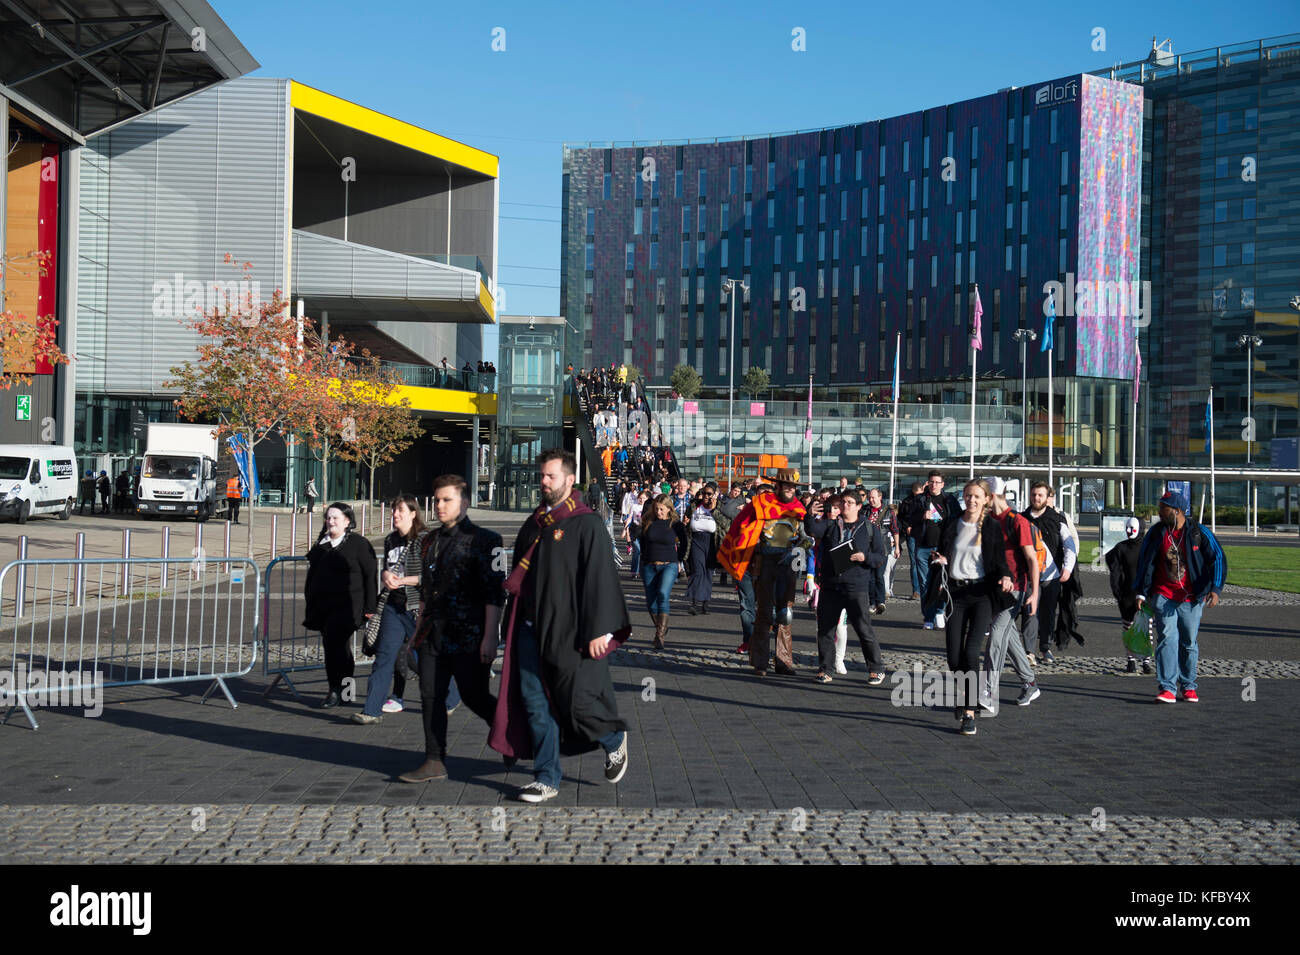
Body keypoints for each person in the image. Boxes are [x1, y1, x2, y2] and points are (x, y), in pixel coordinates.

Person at [491, 449, 631, 803]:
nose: (544, 482)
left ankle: (613, 740)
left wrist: (601, 629)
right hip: (528, 628)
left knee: (577, 702)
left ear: (570, 480)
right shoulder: (535, 523)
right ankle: (546, 778)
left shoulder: (587, 524)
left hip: (570, 632)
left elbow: (599, 577)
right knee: (536, 703)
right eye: (542, 476)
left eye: (551, 476)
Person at [397, 477, 505, 781]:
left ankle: (511, 734)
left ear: (465, 502)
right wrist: (415, 635)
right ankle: (434, 760)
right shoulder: (428, 541)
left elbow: (494, 592)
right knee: (430, 694)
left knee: (474, 695)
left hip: (469, 633)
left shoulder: (486, 539)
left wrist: (490, 637)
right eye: (437, 499)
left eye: (447, 500)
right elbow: (426, 593)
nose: (440, 506)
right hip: (432, 632)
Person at [929, 479, 1013, 736]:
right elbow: (942, 551)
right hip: (956, 594)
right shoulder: (953, 523)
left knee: (972, 651)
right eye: (968, 496)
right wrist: (941, 559)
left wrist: (1006, 576)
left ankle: (968, 711)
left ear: (986, 499)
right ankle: (966, 694)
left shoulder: (991, 527)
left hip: (981, 595)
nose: (972, 500)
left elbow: (999, 560)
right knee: (954, 658)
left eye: (977, 496)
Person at [1133, 489, 1226, 703]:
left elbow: (1218, 558)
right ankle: (1167, 687)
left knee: (1189, 642)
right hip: (1163, 594)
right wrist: (1141, 591)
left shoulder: (1199, 532)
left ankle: (1188, 685)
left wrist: (1215, 589)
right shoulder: (1157, 533)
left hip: (1192, 597)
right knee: (1167, 638)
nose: (1159, 512)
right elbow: (1144, 563)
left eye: (1163, 509)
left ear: (1177, 511)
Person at [718, 468, 811, 676]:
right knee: (764, 613)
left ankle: (784, 662)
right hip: (764, 564)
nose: (791, 489)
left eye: (794, 486)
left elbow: (806, 537)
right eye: (787, 485)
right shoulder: (761, 504)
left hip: (788, 565)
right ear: (777, 486)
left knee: (785, 614)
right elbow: (741, 524)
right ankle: (760, 662)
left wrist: (800, 548)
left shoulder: (799, 509)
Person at [353, 494, 430, 726]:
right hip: (392, 606)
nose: (395, 515)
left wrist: (404, 580)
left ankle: (449, 697)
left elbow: (430, 575)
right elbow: (387, 567)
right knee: (384, 656)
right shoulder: (390, 540)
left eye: (400, 511)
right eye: (394, 511)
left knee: (427, 659)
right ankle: (372, 710)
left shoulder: (425, 540)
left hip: (416, 606)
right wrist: (386, 576)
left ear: (413, 513)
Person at [805, 490, 888, 685]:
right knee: (826, 629)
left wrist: (864, 557)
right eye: (843, 502)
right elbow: (813, 531)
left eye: (850, 502)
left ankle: (876, 668)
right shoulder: (831, 525)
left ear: (859, 506)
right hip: (831, 584)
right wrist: (809, 515)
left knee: (863, 628)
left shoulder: (869, 528)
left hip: (856, 585)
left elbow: (880, 557)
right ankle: (825, 669)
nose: (845, 506)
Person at [303, 502, 378, 708]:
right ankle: (345, 691)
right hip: (323, 606)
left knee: (334, 645)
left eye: (335, 517)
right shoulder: (322, 544)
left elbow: (370, 575)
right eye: (328, 517)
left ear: (347, 521)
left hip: (349, 605)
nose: (331, 521)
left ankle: (336, 690)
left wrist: (371, 607)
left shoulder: (358, 544)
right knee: (339, 648)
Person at [980, 477, 1041, 714]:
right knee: (1010, 638)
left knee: (996, 635)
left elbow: (1032, 561)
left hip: (1017, 588)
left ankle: (987, 693)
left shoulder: (1017, 521)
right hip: (996, 589)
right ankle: (1030, 683)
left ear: (992, 495)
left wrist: (1034, 593)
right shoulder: (988, 520)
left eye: (982, 494)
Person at [1021, 480, 1077, 664]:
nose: (1036, 498)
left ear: (1047, 497)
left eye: (1040, 495)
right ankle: (1029, 651)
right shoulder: (1021, 519)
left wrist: (1067, 569)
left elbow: (1069, 545)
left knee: (1048, 613)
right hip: (1029, 576)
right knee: (1030, 613)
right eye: (1034, 494)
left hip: (1051, 576)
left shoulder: (1056, 519)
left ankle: (1046, 648)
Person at [910, 471, 961, 628]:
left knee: (941, 583)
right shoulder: (920, 500)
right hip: (923, 547)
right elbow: (908, 518)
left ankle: (940, 611)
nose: (934, 485)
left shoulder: (949, 500)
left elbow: (958, 519)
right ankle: (928, 617)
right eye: (931, 482)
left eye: (937, 482)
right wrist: (921, 516)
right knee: (925, 584)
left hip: (942, 548)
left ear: (943, 484)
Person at [639, 493, 688, 647]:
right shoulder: (648, 521)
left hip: (669, 564)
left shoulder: (675, 524)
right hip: (649, 565)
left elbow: (685, 543)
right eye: (656, 509)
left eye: (661, 509)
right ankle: (661, 626)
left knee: (662, 593)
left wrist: (680, 560)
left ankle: (659, 636)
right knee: (651, 602)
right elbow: (642, 541)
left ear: (668, 509)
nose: (658, 512)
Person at [1107, 516, 1151, 674]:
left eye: (1132, 528)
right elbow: (1114, 570)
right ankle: (1131, 661)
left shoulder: (1148, 547)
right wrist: (1117, 591)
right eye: (1127, 528)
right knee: (1128, 628)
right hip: (1126, 595)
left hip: (1145, 594)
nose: (1129, 531)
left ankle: (1146, 661)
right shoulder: (1121, 548)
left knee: (1147, 628)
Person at [684, 486, 719, 615]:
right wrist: (685, 523)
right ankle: (694, 603)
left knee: (708, 572)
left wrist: (714, 510)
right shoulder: (694, 506)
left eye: (708, 494)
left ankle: (705, 603)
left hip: (711, 541)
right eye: (703, 493)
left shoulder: (718, 507)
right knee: (697, 571)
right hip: (696, 540)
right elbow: (686, 520)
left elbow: (725, 523)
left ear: (714, 495)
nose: (705, 496)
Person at [864, 487, 899, 614]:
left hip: (883, 548)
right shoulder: (865, 511)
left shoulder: (888, 512)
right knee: (870, 577)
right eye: (869, 497)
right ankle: (872, 602)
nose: (871, 500)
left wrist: (897, 547)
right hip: (868, 549)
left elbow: (895, 529)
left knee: (879, 575)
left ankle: (881, 601)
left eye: (873, 497)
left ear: (880, 497)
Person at [897, 482, 925, 599]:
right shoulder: (907, 502)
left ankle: (925, 588)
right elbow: (901, 517)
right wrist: (906, 526)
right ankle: (916, 590)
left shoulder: (927, 500)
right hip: (912, 533)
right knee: (914, 562)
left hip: (924, 533)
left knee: (925, 561)